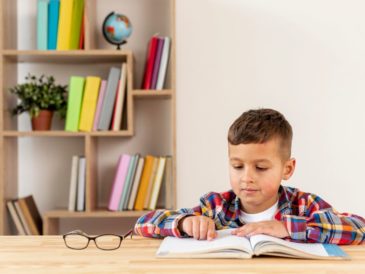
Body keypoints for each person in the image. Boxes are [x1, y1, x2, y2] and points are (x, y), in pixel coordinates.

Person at [134, 108, 365, 244]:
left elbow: (359, 228)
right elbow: (144, 224)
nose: (247, 177)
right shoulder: (216, 207)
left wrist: (289, 228)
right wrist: (184, 223)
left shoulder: (305, 206)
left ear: (287, 169)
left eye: (261, 168)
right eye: (237, 166)